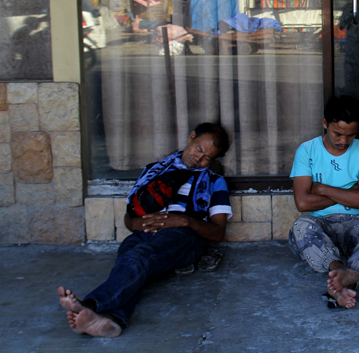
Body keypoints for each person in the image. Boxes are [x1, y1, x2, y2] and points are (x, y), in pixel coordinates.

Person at [57, 123, 232, 337]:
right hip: (145, 232)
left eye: (207, 158)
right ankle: (111, 320)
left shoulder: (214, 181)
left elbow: (218, 232)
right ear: (191, 137)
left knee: (139, 257)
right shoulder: (154, 170)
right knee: (128, 257)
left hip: (184, 238)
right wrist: (134, 224)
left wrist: (185, 222)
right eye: (198, 149)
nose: (199, 159)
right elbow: (130, 214)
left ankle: (91, 305)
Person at [289, 95, 359, 309]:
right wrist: (349, 192)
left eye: (350, 135)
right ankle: (340, 270)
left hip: (356, 224)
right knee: (301, 226)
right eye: (337, 133)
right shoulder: (307, 151)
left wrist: (323, 188)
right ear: (325, 124)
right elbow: (303, 203)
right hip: (321, 225)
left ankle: (343, 280)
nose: (343, 141)